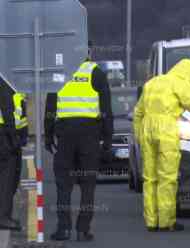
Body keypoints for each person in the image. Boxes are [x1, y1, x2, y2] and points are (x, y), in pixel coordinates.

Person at [134, 59, 190, 232]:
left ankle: (151, 221)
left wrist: (139, 136)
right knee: (167, 178)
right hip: (166, 130)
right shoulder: (180, 84)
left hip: (147, 130)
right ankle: (166, 222)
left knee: (150, 179)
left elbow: (138, 113)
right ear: (189, 73)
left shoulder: (152, 82)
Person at [44, 41, 113, 241]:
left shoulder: (59, 74)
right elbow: (107, 111)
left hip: (65, 134)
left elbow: (50, 107)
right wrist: (107, 142)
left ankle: (63, 228)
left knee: (63, 184)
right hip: (90, 135)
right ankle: (83, 230)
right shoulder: (97, 73)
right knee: (88, 184)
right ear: (88, 52)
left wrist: (48, 135)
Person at [0, 76, 22, 231]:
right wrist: (13, 137)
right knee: (7, 178)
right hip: (3, 135)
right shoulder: (5, 79)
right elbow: (7, 107)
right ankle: (3, 217)